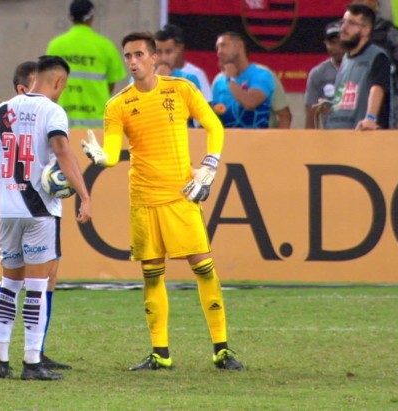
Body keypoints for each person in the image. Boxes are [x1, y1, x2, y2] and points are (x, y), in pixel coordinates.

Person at [80, 32, 243, 371]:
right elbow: (112, 154)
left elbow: (214, 126)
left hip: (180, 195)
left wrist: (210, 164)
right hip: (143, 199)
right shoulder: (117, 105)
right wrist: (101, 157)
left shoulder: (181, 89)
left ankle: (222, 349)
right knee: (152, 276)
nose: (132, 61)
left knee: (204, 268)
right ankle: (160, 353)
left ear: (154, 58)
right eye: (128, 56)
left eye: (139, 54)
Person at [0, 55, 92, 380]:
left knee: (9, 284)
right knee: (36, 287)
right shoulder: (52, 111)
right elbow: (62, 150)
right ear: (59, 81)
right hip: (40, 210)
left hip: (8, 211)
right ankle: (32, 362)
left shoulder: (2, 110)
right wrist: (84, 194)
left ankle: (0, 360)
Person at [0, 61, 72, 372]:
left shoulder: (18, 113)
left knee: (37, 278)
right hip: (34, 209)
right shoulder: (31, 113)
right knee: (24, 282)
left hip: (22, 209)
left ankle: (28, 351)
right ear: (23, 88)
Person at [45, 0, 127, 129]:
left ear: (70, 17)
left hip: (63, 122)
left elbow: (49, 82)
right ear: (91, 16)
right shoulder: (105, 46)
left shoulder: (55, 46)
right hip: (97, 124)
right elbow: (111, 84)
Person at [323, 4, 391, 130]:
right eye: (343, 22)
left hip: (363, 134)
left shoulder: (377, 57)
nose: (343, 28)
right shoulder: (346, 59)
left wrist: (370, 118)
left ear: (365, 30)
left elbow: (377, 88)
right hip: (339, 133)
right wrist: (330, 106)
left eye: (351, 23)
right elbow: (343, 97)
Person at [211, 32, 291, 129]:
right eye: (217, 48)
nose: (219, 52)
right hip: (227, 138)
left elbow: (250, 103)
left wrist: (230, 79)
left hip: (260, 137)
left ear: (239, 45)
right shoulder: (218, 81)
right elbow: (214, 118)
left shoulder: (262, 75)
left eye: (223, 45)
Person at [352, 0, 398, 128]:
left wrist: (391, 116)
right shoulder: (345, 31)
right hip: (349, 114)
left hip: (380, 118)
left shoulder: (389, 33)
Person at [304, 21, 345, 129]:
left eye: (341, 42)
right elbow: (311, 116)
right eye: (332, 43)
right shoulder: (317, 74)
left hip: (358, 134)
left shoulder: (360, 69)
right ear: (325, 44)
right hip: (330, 134)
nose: (336, 47)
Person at [157, 24, 212, 103]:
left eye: (168, 51)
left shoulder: (192, 77)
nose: (164, 58)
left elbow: (206, 106)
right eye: (159, 52)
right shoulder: (142, 79)